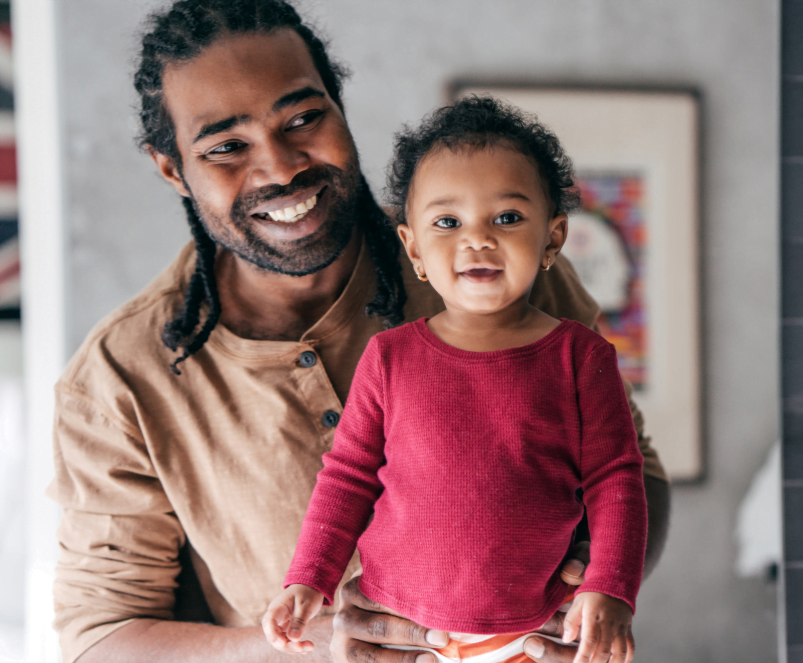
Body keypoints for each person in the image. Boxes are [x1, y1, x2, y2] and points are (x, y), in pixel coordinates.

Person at [48, 2, 670, 662]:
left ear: (340, 109)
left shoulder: (495, 264)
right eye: (226, 147)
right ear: (173, 168)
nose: (281, 167)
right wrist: (297, 645)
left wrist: (592, 585)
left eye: (303, 119)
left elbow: (632, 472)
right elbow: (99, 639)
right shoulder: (119, 377)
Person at [263, 97, 645, 663]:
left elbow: (616, 479)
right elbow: (347, 477)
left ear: (553, 238)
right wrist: (308, 578)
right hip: (397, 627)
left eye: (507, 218)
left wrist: (611, 586)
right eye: (447, 222)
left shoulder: (582, 356)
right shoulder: (388, 357)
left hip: (534, 633)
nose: (477, 239)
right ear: (414, 248)